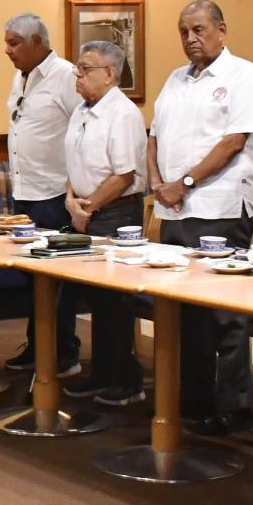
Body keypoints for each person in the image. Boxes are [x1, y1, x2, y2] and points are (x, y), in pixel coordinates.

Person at [149, 0, 253, 435]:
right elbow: (154, 135)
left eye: (199, 30)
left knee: (224, 313)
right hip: (174, 209)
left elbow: (233, 141)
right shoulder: (175, 79)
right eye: (183, 31)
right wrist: (159, 182)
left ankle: (235, 407)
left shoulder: (243, 74)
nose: (190, 39)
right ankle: (194, 400)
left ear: (221, 29)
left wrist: (184, 182)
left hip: (218, 208)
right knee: (186, 312)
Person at [60, 41, 149, 407]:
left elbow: (125, 174)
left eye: (84, 69)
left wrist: (89, 207)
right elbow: (74, 164)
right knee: (96, 298)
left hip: (115, 212)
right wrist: (71, 201)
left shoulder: (123, 114)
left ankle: (126, 379)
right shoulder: (82, 110)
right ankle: (101, 372)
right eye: (77, 70)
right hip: (85, 209)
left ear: (110, 74)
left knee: (115, 300)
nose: (77, 76)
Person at [0, 13, 81, 380]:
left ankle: (64, 353)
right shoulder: (22, 77)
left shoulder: (65, 76)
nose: (8, 50)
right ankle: (38, 346)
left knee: (57, 280)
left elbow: (81, 131)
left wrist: (75, 190)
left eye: (14, 42)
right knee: (31, 278)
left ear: (37, 42)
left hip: (53, 193)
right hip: (25, 192)